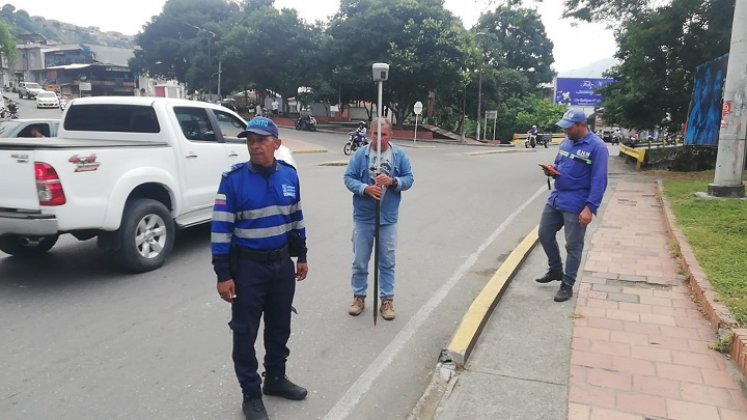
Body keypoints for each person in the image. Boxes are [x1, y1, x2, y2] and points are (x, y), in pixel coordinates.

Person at [211, 116, 309, 420]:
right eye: (250, 141)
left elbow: (296, 220)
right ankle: (251, 394)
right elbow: (220, 230)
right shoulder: (233, 179)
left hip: (281, 265)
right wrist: (223, 274)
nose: (254, 147)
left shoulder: (290, 176)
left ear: (276, 144)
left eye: (261, 141)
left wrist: (301, 255)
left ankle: (275, 379)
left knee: (280, 326)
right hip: (248, 268)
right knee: (244, 333)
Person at [343, 117, 414, 320]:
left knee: (387, 262)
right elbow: (348, 178)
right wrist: (364, 188)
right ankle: (359, 297)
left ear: (390, 135)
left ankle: (387, 300)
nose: (380, 138)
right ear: (370, 134)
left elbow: (409, 178)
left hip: (388, 219)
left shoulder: (399, 155)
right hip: (364, 218)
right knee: (360, 261)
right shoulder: (360, 155)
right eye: (376, 134)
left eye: (384, 134)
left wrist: (393, 181)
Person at [536, 109, 608, 302]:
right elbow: (559, 164)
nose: (565, 130)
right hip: (557, 198)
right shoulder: (566, 142)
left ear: (581, 125)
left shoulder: (597, 147)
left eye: (569, 127)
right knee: (544, 233)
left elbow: (599, 180)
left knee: (573, 246)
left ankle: (567, 284)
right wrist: (552, 171)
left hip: (577, 203)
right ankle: (556, 270)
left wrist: (590, 208)